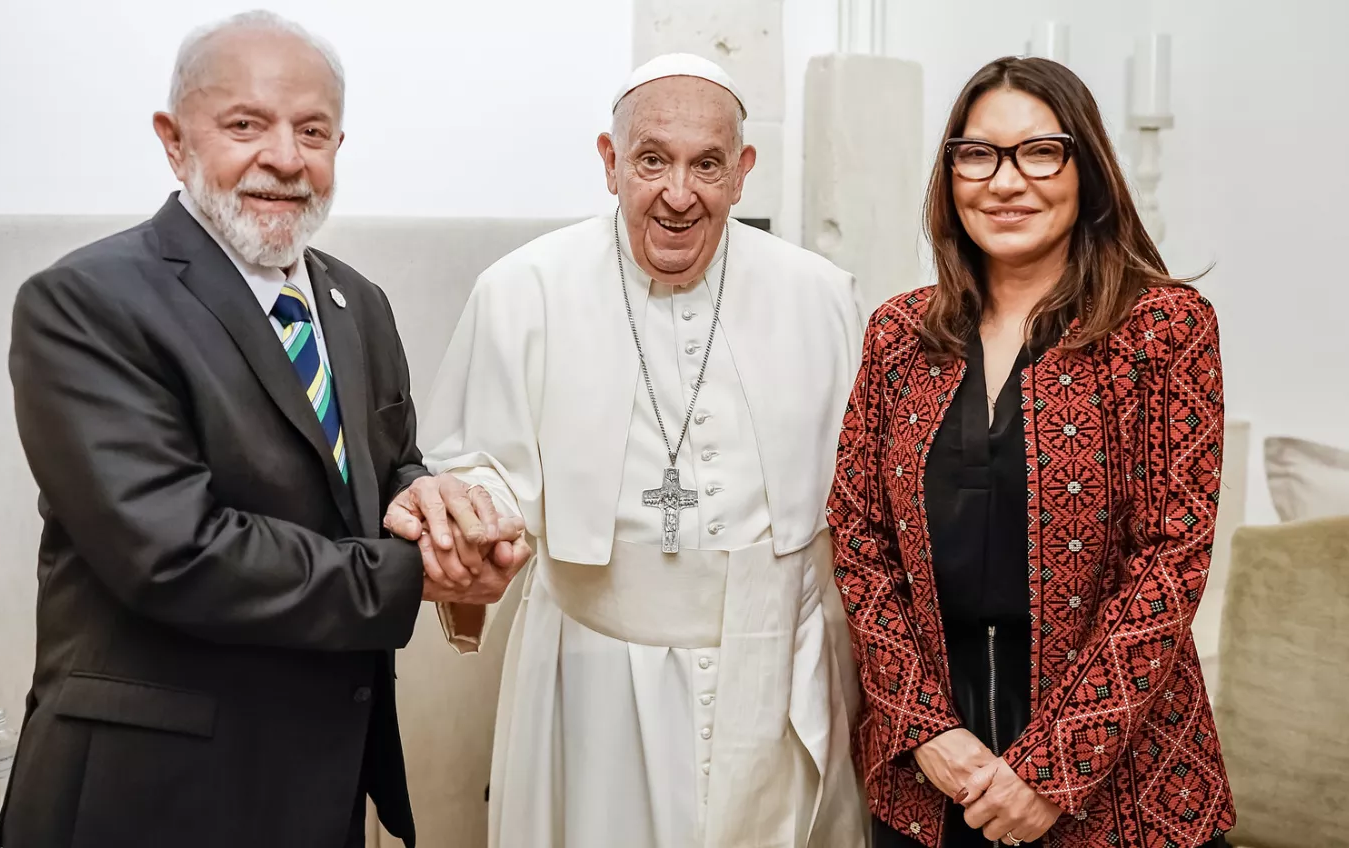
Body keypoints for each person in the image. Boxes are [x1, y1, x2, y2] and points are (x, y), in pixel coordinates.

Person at [0, 11, 526, 848]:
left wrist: (438, 511)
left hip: (322, 789)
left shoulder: (360, 305)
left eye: (311, 130)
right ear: (174, 141)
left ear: (338, 148)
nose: (285, 157)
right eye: (246, 124)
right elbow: (177, 554)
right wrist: (414, 576)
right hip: (151, 798)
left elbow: (384, 469)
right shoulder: (86, 303)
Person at [397, 53, 869, 848]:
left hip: (778, 674)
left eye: (707, 165)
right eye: (652, 160)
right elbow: (480, 468)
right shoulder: (524, 290)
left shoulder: (821, 296)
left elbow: (865, 500)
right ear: (610, 163)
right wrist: (474, 518)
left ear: (743, 171)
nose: (679, 194)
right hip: (593, 680)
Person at [827, 56, 1235, 848]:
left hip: (1125, 781)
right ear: (950, 176)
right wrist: (923, 730)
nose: (1006, 182)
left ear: (1087, 168)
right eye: (977, 155)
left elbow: (1172, 558)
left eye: (1039, 151)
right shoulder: (897, 335)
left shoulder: (1164, 327)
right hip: (929, 780)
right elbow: (859, 539)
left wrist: (1051, 768)